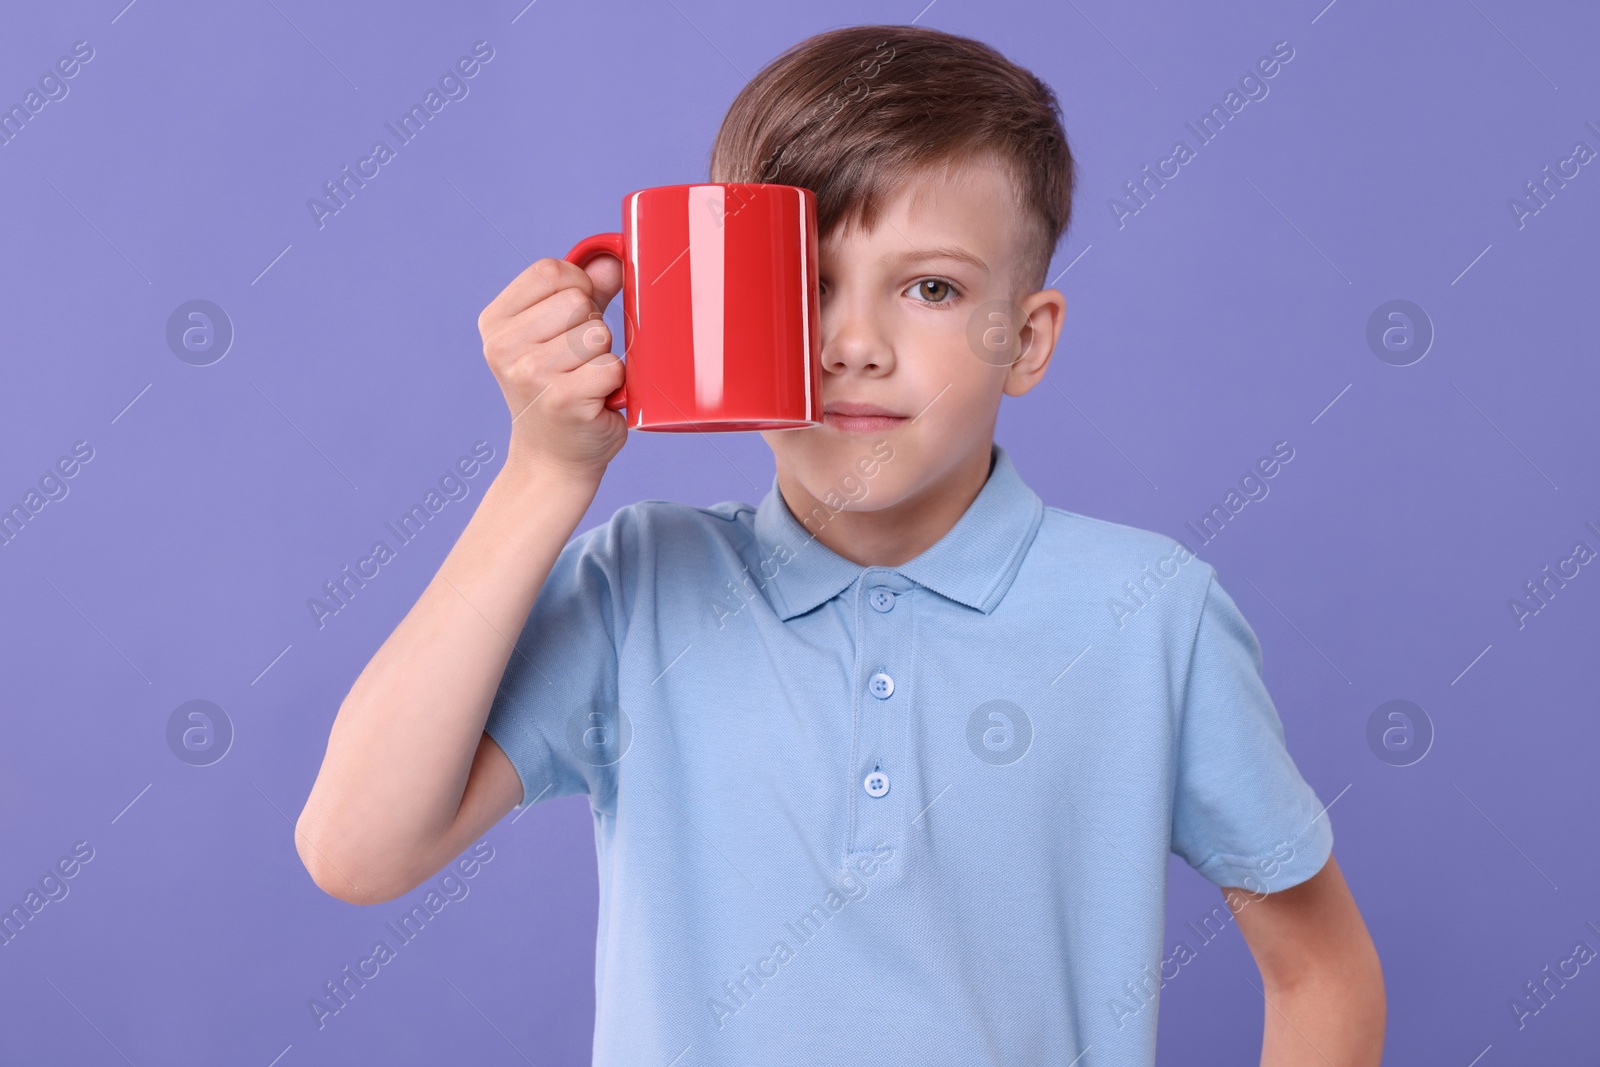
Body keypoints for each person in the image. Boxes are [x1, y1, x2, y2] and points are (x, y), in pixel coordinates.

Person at [295, 23, 1384, 1065]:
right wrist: (547, 470)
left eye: (931, 288)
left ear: (1027, 337)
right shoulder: (641, 588)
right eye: (805, 283)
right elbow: (356, 846)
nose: (854, 344)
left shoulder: (1150, 612)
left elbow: (1319, 969)